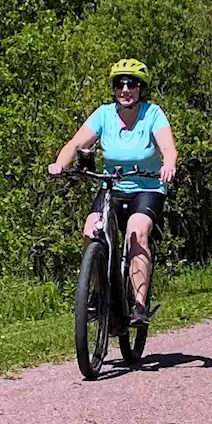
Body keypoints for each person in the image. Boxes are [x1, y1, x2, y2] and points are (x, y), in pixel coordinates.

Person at [48, 58, 177, 325]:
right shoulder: (104, 115)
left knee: (136, 232)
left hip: (148, 187)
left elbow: (168, 147)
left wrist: (169, 165)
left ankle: (139, 306)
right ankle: (96, 293)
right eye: (120, 84)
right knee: (90, 230)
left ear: (141, 88)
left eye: (132, 84)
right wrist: (60, 164)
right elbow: (75, 143)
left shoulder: (152, 114)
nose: (126, 89)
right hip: (112, 188)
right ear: (114, 88)